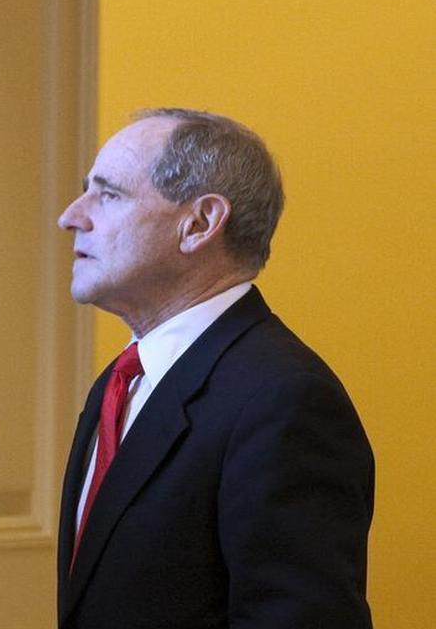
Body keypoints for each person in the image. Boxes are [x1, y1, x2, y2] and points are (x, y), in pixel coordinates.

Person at [55, 108, 373, 628]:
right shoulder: (119, 382)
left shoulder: (284, 399)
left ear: (199, 224)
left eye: (108, 195)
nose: (71, 215)